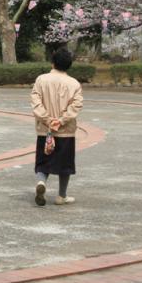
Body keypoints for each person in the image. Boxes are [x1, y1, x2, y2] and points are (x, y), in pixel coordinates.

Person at [30, 48, 84, 206]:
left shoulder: (41, 80)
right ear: (69, 65)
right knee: (65, 164)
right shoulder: (74, 83)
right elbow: (76, 105)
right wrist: (61, 120)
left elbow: (36, 102)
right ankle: (62, 196)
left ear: (52, 62)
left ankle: (41, 183)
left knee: (43, 161)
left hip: (45, 130)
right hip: (65, 131)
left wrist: (47, 120)